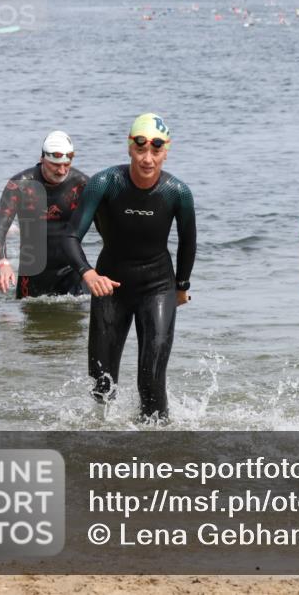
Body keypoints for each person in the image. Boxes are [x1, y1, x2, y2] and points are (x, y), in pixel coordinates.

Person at [62, 113, 195, 421]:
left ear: (167, 150)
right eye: (140, 149)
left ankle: (156, 449)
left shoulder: (178, 192)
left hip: (158, 287)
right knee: (101, 384)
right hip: (110, 287)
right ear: (129, 147)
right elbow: (70, 237)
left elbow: (188, 242)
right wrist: (88, 273)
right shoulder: (104, 183)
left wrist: (182, 287)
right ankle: (104, 443)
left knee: (151, 381)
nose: (147, 159)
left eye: (156, 151)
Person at [0, 131, 89, 298]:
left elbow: (107, 227)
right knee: (30, 321)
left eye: (67, 164)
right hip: (32, 274)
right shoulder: (20, 185)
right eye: (55, 165)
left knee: (77, 320)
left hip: (72, 271)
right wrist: (3, 264)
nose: (61, 170)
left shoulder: (82, 184)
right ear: (42, 158)